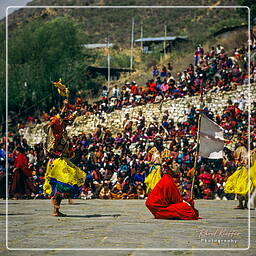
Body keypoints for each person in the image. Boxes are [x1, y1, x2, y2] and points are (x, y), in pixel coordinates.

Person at [43, 100, 86, 216]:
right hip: (57, 162)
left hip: (60, 161)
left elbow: (69, 151)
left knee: (62, 185)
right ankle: (56, 209)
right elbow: (55, 122)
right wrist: (64, 107)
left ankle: (56, 210)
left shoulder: (63, 133)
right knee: (64, 183)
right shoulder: (55, 131)